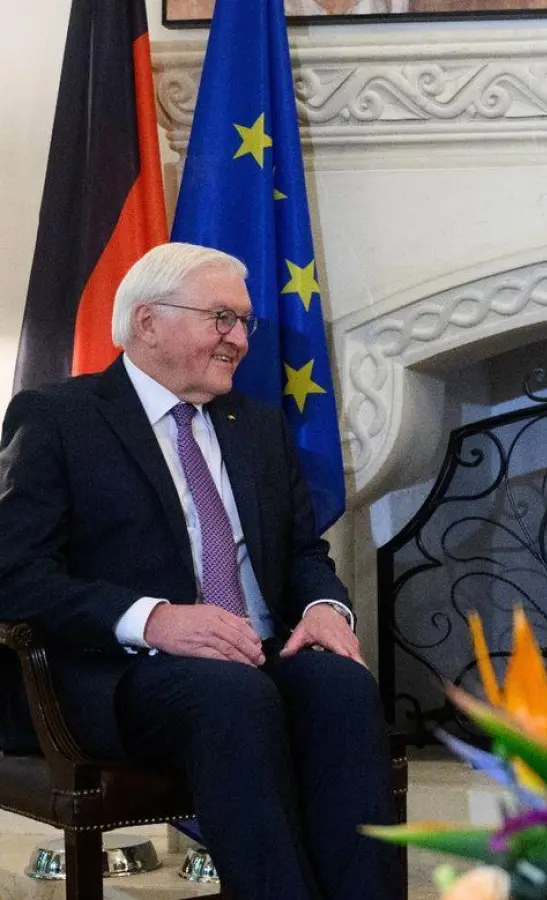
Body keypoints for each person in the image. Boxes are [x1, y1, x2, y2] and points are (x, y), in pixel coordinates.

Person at [0, 243, 397, 900]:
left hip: (254, 656)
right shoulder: (59, 419)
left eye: (244, 323)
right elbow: (14, 575)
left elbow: (304, 556)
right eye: (221, 318)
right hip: (124, 674)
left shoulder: (256, 427)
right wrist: (154, 620)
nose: (239, 340)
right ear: (149, 322)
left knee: (341, 688)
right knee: (230, 696)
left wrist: (328, 609)